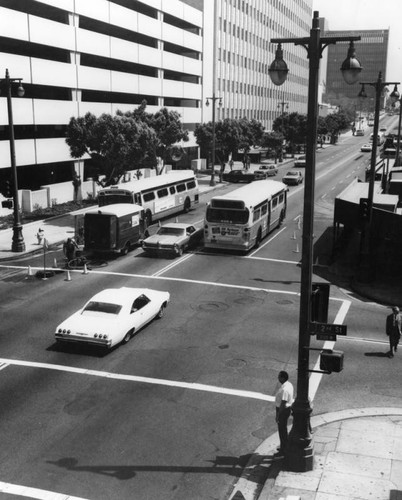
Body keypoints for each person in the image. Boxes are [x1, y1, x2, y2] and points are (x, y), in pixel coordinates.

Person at [274, 370, 294, 458]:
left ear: (283, 378)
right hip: (285, 410)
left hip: (283, 411)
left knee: (282, 430)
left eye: (279, 376)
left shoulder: (285, 389)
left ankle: (283, 449)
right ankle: (284, 446)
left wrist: (278, 415)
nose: (278, 378)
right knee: (283, 429)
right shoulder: (288, 384)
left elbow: (283, 403)